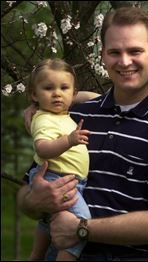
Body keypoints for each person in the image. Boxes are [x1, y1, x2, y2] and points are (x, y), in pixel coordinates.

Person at [17, 7, 148, 261]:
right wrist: (33, 200)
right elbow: (29, 189)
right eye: (115, 52)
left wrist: (82, 229)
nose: (125, 61)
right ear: (103, 55)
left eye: (135, 51)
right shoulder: (76, 116)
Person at [24, 58, 91, 261]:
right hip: (56, 178)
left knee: (48, 220)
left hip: (68, 179)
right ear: (34, 95)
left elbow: (87, 96)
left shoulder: (61, 114)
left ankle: (36, 256)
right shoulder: (44, 118)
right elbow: (42, 149)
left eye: (64, 88)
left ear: (73, 93)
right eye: (48, 88)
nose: (57, 94)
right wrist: (69, 140)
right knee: (80, 223)